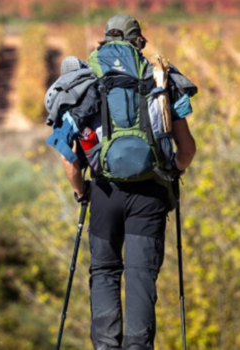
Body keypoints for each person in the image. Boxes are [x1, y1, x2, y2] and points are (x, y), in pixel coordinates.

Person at [59, 15, 196, 350]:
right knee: (140, 274)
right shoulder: (161, 79)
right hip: (150, 194)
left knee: (104, 271)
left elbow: (68, 157)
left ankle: (106, 346)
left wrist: (82, 192)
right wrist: (173, 172)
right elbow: (187, 150)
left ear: (104, 41)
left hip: (104, 193)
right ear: (140, 42)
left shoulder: (85, 82)